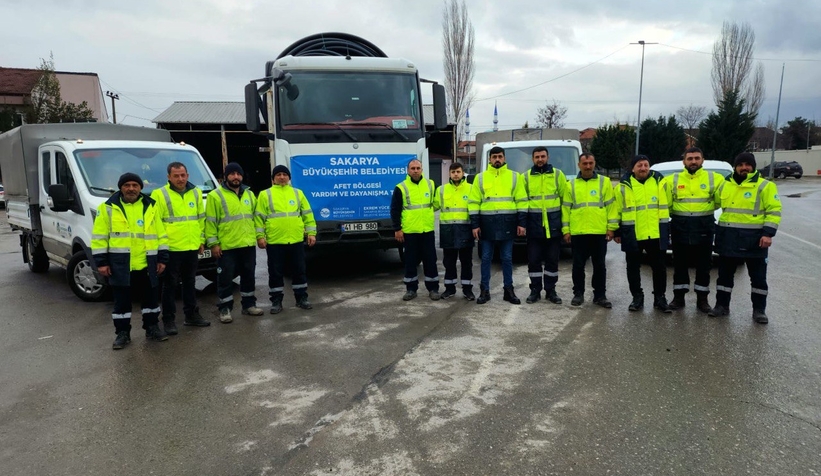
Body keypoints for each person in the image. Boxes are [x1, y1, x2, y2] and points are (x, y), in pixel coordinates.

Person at [91, 173, 169, 350]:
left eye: (135, 185)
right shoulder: (107, 208)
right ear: (121, 187)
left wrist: (162, 259)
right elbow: (99, 237)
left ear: (140, 187)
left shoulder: (151, 206)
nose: (131, 188)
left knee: (151, 301)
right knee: (121, 303)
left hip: (147, 263)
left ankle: (152, 327)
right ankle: (122, 333)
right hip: (120, 264)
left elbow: (161, 234)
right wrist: (101, 262)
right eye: (127, 185)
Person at [708, 152, 781, 324]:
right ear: (735, 167)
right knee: (724, 277)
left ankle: (759, 310)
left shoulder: (765, 186)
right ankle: (721, 306)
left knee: (758, 279)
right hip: (729, 238)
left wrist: (768, 234)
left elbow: (774, 210)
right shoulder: (725, 185)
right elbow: (712, 203)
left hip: (755, 240)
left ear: (753, 167)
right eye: (740, 165)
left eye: (748, 164)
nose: (744, 168)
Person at [151, 162, 210, 335]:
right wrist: (162, 248)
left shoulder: (196, 192)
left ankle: (191, 315)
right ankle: (168, 320)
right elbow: (156, 223)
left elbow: (201, 219)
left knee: (190, 283)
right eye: (176, 176)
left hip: (191, 246)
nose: (180, 179)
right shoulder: (159, 194)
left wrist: (201, 240)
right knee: (170, 285)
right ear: (168, 177)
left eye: (183, 175)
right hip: (172, 248)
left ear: (188, 175)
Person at [665, 147, 725, 313]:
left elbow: (719, 201)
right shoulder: (672, 180)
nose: (693, 161)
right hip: (680, 226)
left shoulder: (715, 178)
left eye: (697, 158)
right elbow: (667, 203)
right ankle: (678, 298)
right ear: (684, 161)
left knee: (704, 264)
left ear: (702, 160)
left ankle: (702, 300)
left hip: (704, 226)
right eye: (690, 158)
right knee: (679, 264)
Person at [467, 146, 528, 305]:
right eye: (494, 157)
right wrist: (475, 225)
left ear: (504, 158)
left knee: (507, 258)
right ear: (489, 159)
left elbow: (522, 201)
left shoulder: (515, 177)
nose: (497, 160)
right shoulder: (480, 178)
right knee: (486, 258)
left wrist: (521, 223)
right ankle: (484, 291)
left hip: (508, 223)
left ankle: (509, 290)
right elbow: (473, 202)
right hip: (486, 224)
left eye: (500, 156)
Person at [205, 162, 263, 323]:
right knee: (225, 279)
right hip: (227, 246)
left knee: (248, 276)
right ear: (226, 176)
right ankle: (225, 309)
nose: (235, 177)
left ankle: (249, 305)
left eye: (238, 174)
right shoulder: (215, 196)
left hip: (247, 244)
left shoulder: (249, 195)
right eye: (232, 174)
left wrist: (259, 236)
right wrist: (213, 244)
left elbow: (257, 218)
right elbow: (210, 222)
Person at [255, 165, 317, 313]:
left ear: (289, 177)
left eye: (284, 174)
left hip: (296, 240)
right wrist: (260, 237)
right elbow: (258, 218)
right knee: (275, 273)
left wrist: (311, 233)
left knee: (299, 271)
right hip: (275, 241)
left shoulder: (298, 193)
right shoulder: (265, 194)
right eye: (278, 175)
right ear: (273, 178)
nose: (282, 177)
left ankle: (301, 298)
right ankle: (276, 301)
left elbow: (307, 214)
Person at [613, 155, 672, 313]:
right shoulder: (622, 187)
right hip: (632, 234)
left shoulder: (661, 183)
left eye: (646, 165)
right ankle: (637, 298)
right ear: (633, 169)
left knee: (659, 268)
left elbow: (669, 203)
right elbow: (616, 210)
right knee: (633, 268)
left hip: (656, 233)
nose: (643, 168)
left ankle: (660, 298)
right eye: (639, 165)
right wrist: (617, 231)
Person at [561, 153, 618, 308]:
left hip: (599, 232)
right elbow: (566, 209)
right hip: (578, 232)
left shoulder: (604, 182)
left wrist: (611, 228)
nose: (588, 166)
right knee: (578, 266)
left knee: (599, 266)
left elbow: (611, 207)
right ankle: (578, 294)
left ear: (594, 164)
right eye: (585, 163)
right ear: (579, 165)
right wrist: (566, 230)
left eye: (590, 163)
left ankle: (600, 296)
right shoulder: (570, 185)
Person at [391, 159, 440, 301]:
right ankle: (411, 289)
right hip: (410, 232)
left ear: (422, 169)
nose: (415, 171)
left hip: (427, 230)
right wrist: (397, 229)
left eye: (418, 168)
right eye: (412, 168)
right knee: (410, 261)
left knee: (430, 260)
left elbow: (437, 203)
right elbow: (395, 210)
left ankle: (433, 289)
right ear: (408, 171)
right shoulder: (401, 187)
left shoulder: (431, 184)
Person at [523, 146, 566, 305]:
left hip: (553, 226)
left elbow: (565, 201)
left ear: (548, 157)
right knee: (533, 261)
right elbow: (523, 202)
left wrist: (564, 226)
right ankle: (535, 290)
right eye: (537, 157)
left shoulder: (558, 175)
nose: (540, 159)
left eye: (543, 156)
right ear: (533, 159)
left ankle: (550, 291)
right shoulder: (525, 177)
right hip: (534, 227)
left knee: (552, 261)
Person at [433, 162, 475, 300]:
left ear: (463, 173)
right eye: (453, 172)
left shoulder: (471, 189)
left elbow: (476, 209)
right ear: (449, 174)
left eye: (458, 172)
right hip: (448, 231)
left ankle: (467, 290)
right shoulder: (441, 190)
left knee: (466, 262)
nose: (456, 174)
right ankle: (449, 289)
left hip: (465, 230)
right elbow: (433, 206)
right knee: (449, 262)